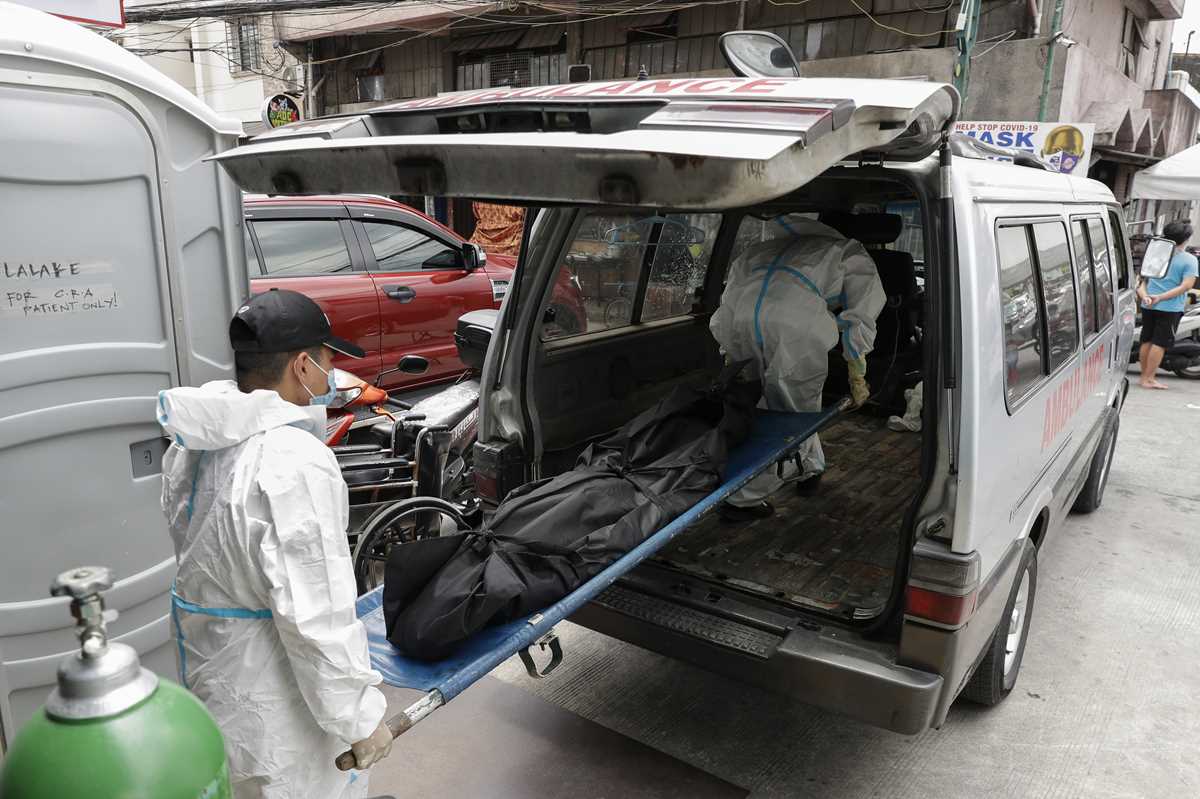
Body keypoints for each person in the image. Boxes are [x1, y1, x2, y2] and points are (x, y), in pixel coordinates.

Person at [157, 289, 391, 799]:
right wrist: (359, 718)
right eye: (328, 360)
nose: (332, 375)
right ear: (303, 366)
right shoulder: (292, 462)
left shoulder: (197, 442)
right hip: (277, 702)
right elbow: (314, 613)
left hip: (213, 667)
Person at [711, 214, 886, 521]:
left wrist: (730, 349)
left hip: (743, 323)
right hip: (796, 329)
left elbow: (729, 299)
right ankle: (742, 500)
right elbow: (862, 314)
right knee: (792, 414)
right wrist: (857, 370)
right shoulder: (846, 251)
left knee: (759, 405)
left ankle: (811, 469)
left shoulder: (762, 249)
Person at [1138, 220, 1199, 390]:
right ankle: (1149, 379)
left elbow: (1141, 281)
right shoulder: (1189, 260)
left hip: (1148, 305)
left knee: (1146, 340)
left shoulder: (1155, 254)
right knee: (1160, 343)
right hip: (1170, 308)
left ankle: (1144, 377)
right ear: (1185, 239)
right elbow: (1186, 286)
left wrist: (1146, 297)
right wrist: (1161, 297)